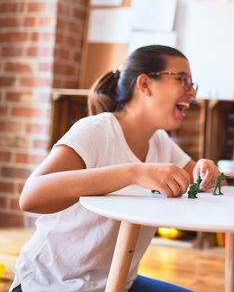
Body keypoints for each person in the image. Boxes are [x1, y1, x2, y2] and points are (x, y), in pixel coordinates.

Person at [11, 45, 221, 292]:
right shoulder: (95, 130)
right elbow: (31, 197)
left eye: (192, 83)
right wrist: (134, 172)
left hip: (117, 283)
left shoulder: (160, 142)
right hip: (51, 283)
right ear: (144, 84)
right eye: (183, 80)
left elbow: (197, 174)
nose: (192, 91)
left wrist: (206, 171)